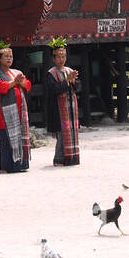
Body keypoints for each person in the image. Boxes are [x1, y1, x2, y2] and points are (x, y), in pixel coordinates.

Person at [0, 42, 31, 173]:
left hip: (19, 110)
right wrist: (14, 82)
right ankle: (6, 167)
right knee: (6, 139)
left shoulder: (16, 72)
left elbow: (28, 85)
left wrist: (21, 81)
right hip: (4, 113)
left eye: (11, 56)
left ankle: (20, 165)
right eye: (6, 56)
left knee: (20, 136)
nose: (9, 59)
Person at [44, 38, 81, 166]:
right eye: (59, 57)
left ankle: (73, 158)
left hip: (71, 106)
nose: (62, 59)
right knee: (62, 134)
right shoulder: (51, 73)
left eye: (64, 56)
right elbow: (55, 89)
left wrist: (74, 81)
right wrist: (67, 81)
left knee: (72, 132)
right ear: (54, 59)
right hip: (59, 109)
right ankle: (59, 159)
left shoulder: (69, 70)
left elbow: (78, 87)